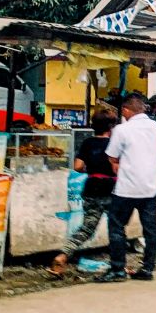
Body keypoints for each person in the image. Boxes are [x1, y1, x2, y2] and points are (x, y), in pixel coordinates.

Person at [97, 93, 156, 283]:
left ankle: (117, 269)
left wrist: (119, 162)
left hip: (127, 188)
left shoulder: (122, 130)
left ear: (125, 110)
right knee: (150, 230)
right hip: (151, 187)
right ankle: (147, 268)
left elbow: (112, 156)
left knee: (116, 226)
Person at [49, 110, 116, 277]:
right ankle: (118, 265)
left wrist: (92, 169)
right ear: (111, 127)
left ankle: (62, 255)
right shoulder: (115, 143)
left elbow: (77, 167)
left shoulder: (87, 143)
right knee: (117, 228)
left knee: (86, 229)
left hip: (91, 187)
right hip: (111, 189)